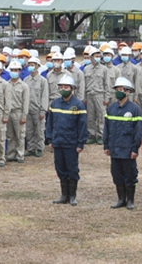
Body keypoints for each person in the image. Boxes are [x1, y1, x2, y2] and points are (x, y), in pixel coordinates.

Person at [46, 74, 88, 206]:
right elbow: (50, 122)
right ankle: (64, 195)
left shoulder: (78, 105)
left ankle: (72, 196)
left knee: (72, 169)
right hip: (58, 142)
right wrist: (50, 139)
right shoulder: (55, 103)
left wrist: (80, 143)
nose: (63, 89)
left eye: (66, 87)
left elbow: (82, 126)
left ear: (72, 88)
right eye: (61, 87)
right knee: (60, 168)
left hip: (71, 143)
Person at [103, 77, 142, 210]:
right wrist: (106, 145)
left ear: (127, 91)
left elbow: (137, 131)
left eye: (121, 90)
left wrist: (135, 149)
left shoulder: (134, 109)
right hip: (115, 148)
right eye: (117, 90)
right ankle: (121, 199)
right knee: (117, 175)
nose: (118, 92)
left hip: (127, 149)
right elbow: (107, 128)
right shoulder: (111, 108)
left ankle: (130, 200)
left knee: (130, 175)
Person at [5, 61, 30, 163]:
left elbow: (26, 102)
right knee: (10, 135)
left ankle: (20, 155)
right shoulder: (6, 84)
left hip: (18, 112)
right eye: (12, 70)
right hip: (8, 112)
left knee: (20, 135)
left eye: (16, 70)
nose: (14, 72)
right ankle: (11, 154)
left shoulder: (24, 86)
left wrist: (24, 115)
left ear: (19, 71)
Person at [84, 46, 109, 144]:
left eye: (99, 56)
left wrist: (106, 97)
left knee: (101, 116)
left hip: (100, 95)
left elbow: (107, 84)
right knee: (90, 116)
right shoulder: (86, 69)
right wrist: (84, 98)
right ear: (91, 57)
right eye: (96, 56)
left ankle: (100, 135)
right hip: (90, 95)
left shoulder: (104, 69)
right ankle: (92, 135)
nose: (98, 58)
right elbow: (85, 85)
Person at [25, 57, 49, 158]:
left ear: (38, 66)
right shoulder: (26, 80)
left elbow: (45, 96)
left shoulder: (43, 81)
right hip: (28, 109)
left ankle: (39, 148)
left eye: (33, 64)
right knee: (29, 130)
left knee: (39, 130)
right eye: (29, 64)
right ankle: (31, 148)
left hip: (38, 109)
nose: (31, 67)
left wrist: (43, 110)